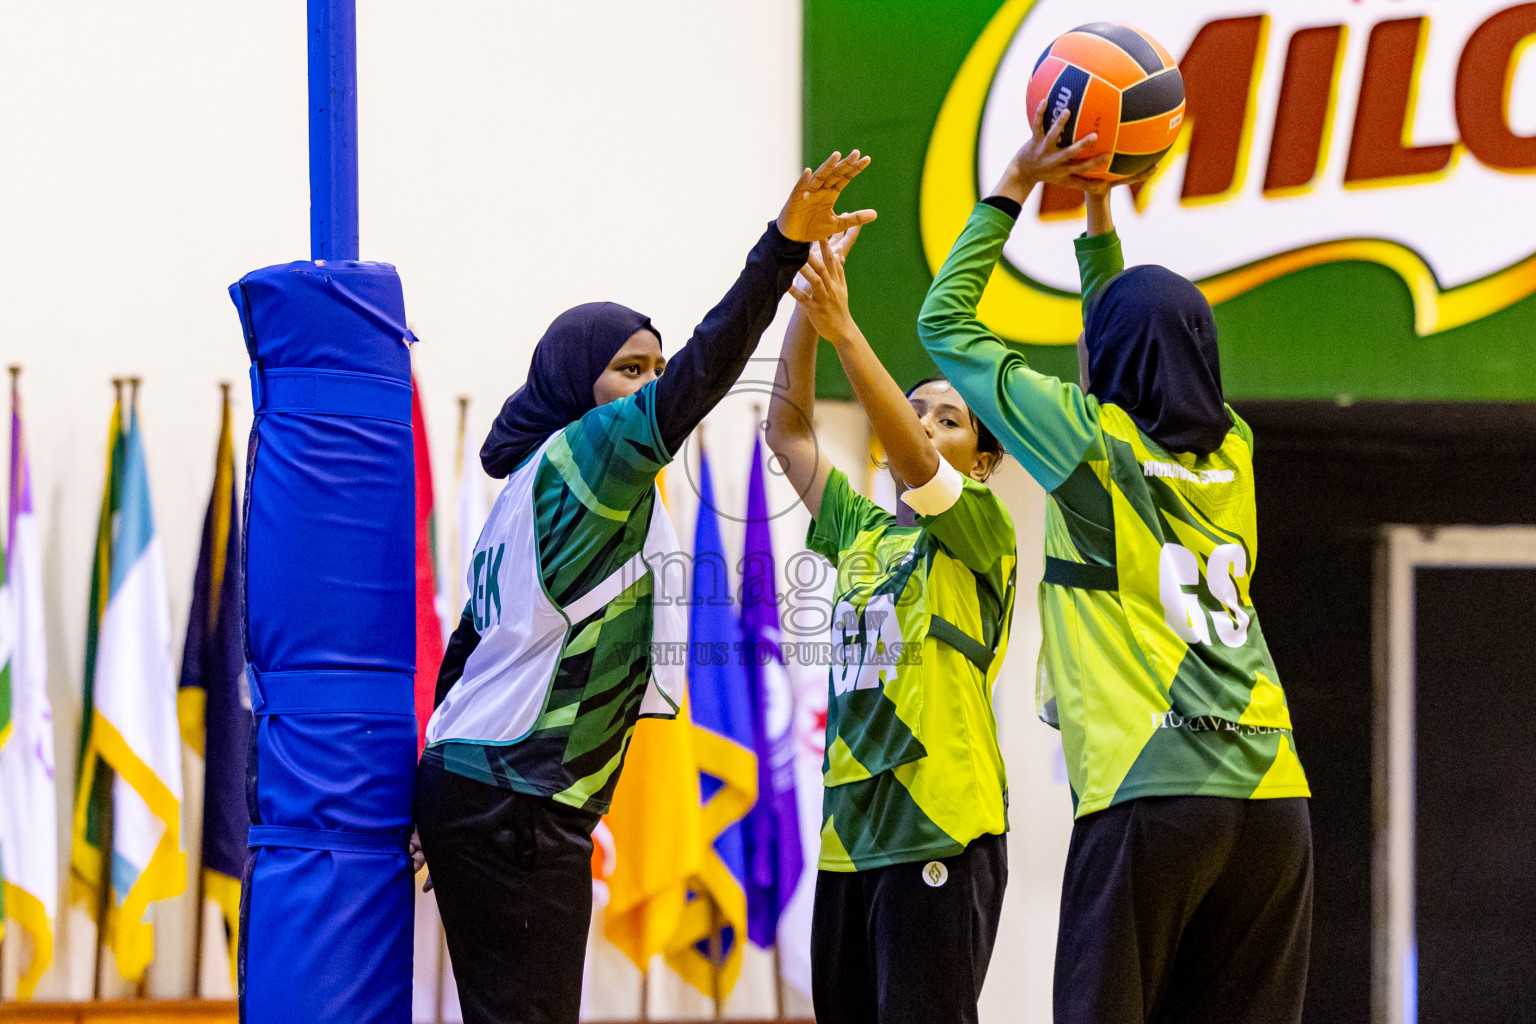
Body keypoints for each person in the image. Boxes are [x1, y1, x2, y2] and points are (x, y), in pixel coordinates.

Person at [412, 151, 876, 1024]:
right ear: (573, 383)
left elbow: (466, 647)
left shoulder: (529, 481)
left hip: (492, 790)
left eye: (654, 370)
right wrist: (779, 250)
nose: (652, 386)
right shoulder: (592, 454)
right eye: (631, 368)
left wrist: (441, 783)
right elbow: (708, 368)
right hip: (516, 798)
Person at [918, 103, 1313, 1024]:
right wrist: (1098, 216)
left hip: (1154, 791)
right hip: (1272, 797)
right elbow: (1128, 330)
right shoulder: (1236, 453)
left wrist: (1014, 184)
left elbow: (946, 323)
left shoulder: (1091, 447)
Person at [764, 223, 1016, 1024]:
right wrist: (810, 296)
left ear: (980, 459)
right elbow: (789, 430)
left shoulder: (982, 529)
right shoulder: (863, 531)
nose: (928, 426)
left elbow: (916, 464)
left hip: (939, 828)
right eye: (917, 413)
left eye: (950, 419)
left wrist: (848, 331)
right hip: (850, 836)